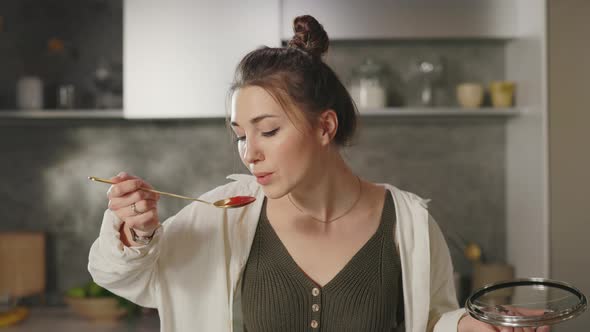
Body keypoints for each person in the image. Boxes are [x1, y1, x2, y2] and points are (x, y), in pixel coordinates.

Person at [88, 15, 549, 332]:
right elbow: (127, 279)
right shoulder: (223, 216)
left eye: (267, 130)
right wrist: (137, 230)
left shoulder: (406, 220)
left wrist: (470, 325)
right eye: (240, 135)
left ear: (325, 125)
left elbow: (430, 321)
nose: (249, 153)